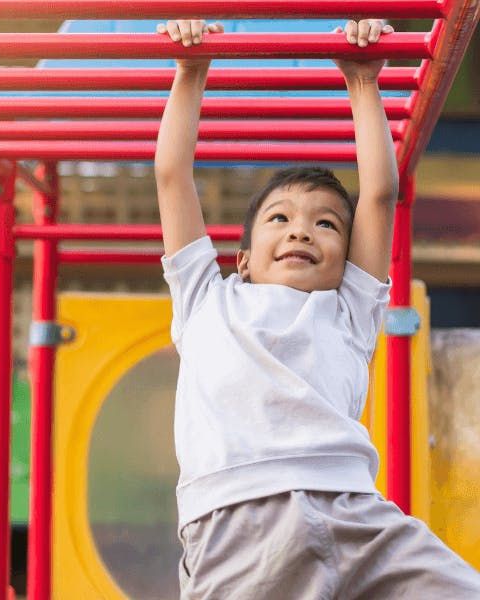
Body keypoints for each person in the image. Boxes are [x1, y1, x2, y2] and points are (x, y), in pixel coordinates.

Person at [155, 18, 480, 599]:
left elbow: (380, 194)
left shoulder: (348, 308)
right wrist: (191, 71)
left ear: (345, 253)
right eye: (279, 219)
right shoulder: (207, 299)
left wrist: (362, 83)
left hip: (355, 515)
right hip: (238, 519)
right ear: (244, 258)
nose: (301, 231)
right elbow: (173, 176)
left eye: (325, 224)